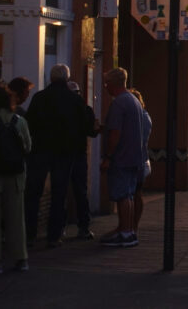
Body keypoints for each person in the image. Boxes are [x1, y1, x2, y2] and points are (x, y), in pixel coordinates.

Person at [24, 64, 88, 248]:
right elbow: (83, 127)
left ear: (51, 78)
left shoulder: (39, 98)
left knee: (33, 193)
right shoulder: (74, 100)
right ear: (66, 79)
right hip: (64, 153)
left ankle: (30, 234)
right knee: (59, 194)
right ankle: (54, 235)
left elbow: (30, 124)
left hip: (40, 151)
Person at [0, 85, 31, 273]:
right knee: (16, 219)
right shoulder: (19, 121)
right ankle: (21, 258)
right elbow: (27, 148)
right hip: (15, 177)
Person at [99, 68, 144, 248]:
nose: (105, 87)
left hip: (122, 156)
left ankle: (125, 232)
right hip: (134, 156)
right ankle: (128, 230)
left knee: (123, 195)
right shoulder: (134, 101)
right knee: (129, 195)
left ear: (112, 84)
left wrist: (108, 156)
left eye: (106, 83)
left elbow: (116, 133)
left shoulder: (119, 103)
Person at [66, 81, 98, 240]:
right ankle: (83, 227)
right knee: (80, 191)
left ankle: (58, 229)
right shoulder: (86, 110)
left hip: (62, 154)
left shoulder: (60, 110)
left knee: (61, 191)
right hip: (78, 153)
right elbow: (92, 132)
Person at [129, 89, 153, 238]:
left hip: (138, 161)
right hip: (140, 160)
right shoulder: (144, 117)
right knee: (135, 194)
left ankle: (132, 226)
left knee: (135, 194)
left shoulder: (142, 117)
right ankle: (130, 226)